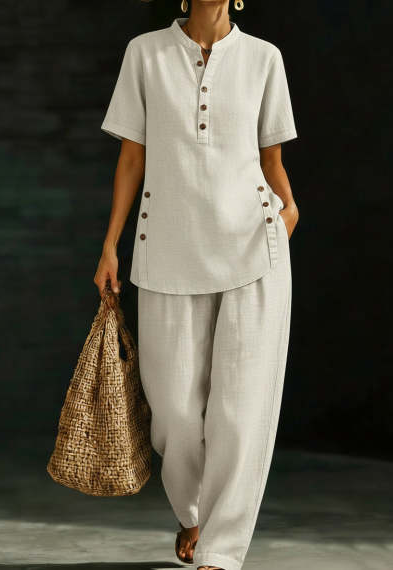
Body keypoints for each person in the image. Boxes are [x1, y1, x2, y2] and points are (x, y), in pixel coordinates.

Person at [94, 1, 299, 569]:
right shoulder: (146, 53)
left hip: (252, 249)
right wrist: (110, 244)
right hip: (165, 249)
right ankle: (192, 511)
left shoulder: (264, 58)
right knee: (175, 411)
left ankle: (221, 552)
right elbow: (131, 156)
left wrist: (289, 211)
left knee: (240, 412)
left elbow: (272, 159)